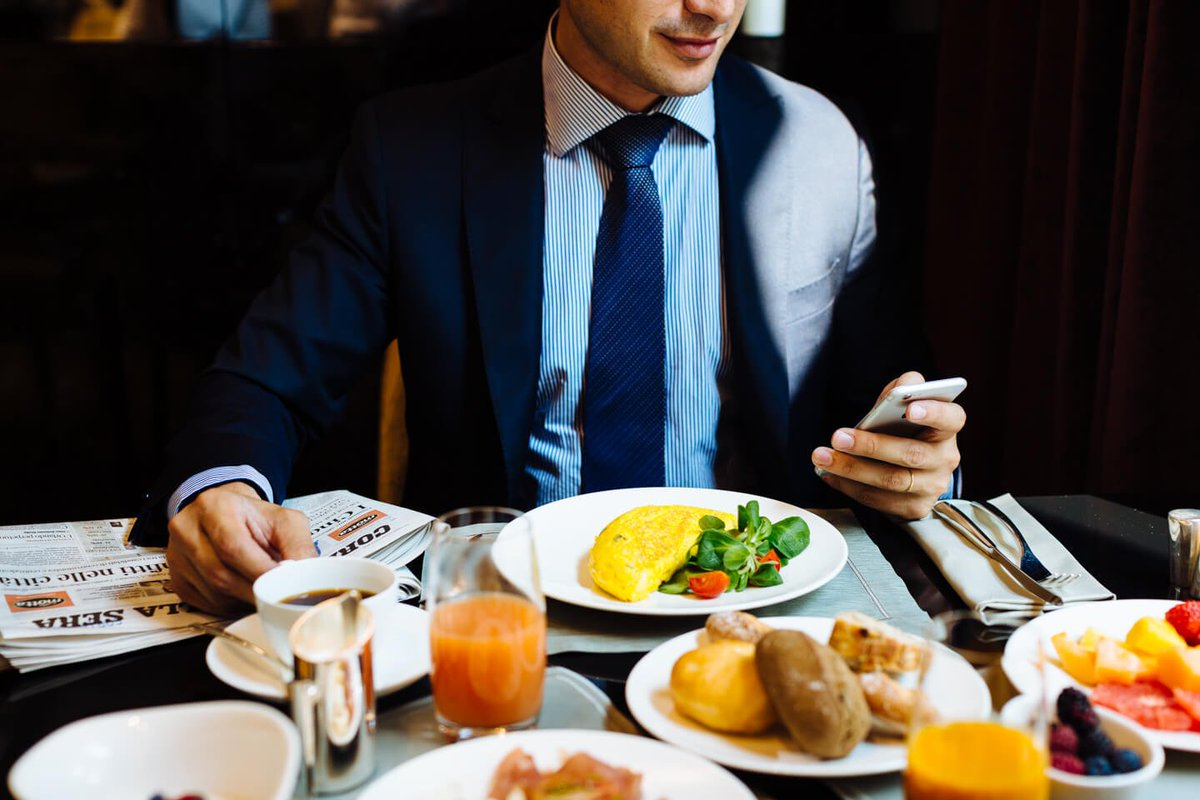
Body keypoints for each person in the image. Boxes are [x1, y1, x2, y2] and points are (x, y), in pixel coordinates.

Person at [131, 0, 965, 615]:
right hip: (502, 620)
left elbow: (894, 403)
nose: (714, 9)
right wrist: (219, 487)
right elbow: (267, 381)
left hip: (756, 610)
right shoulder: (412, 150)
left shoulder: (813, 141)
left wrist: (918, 464)